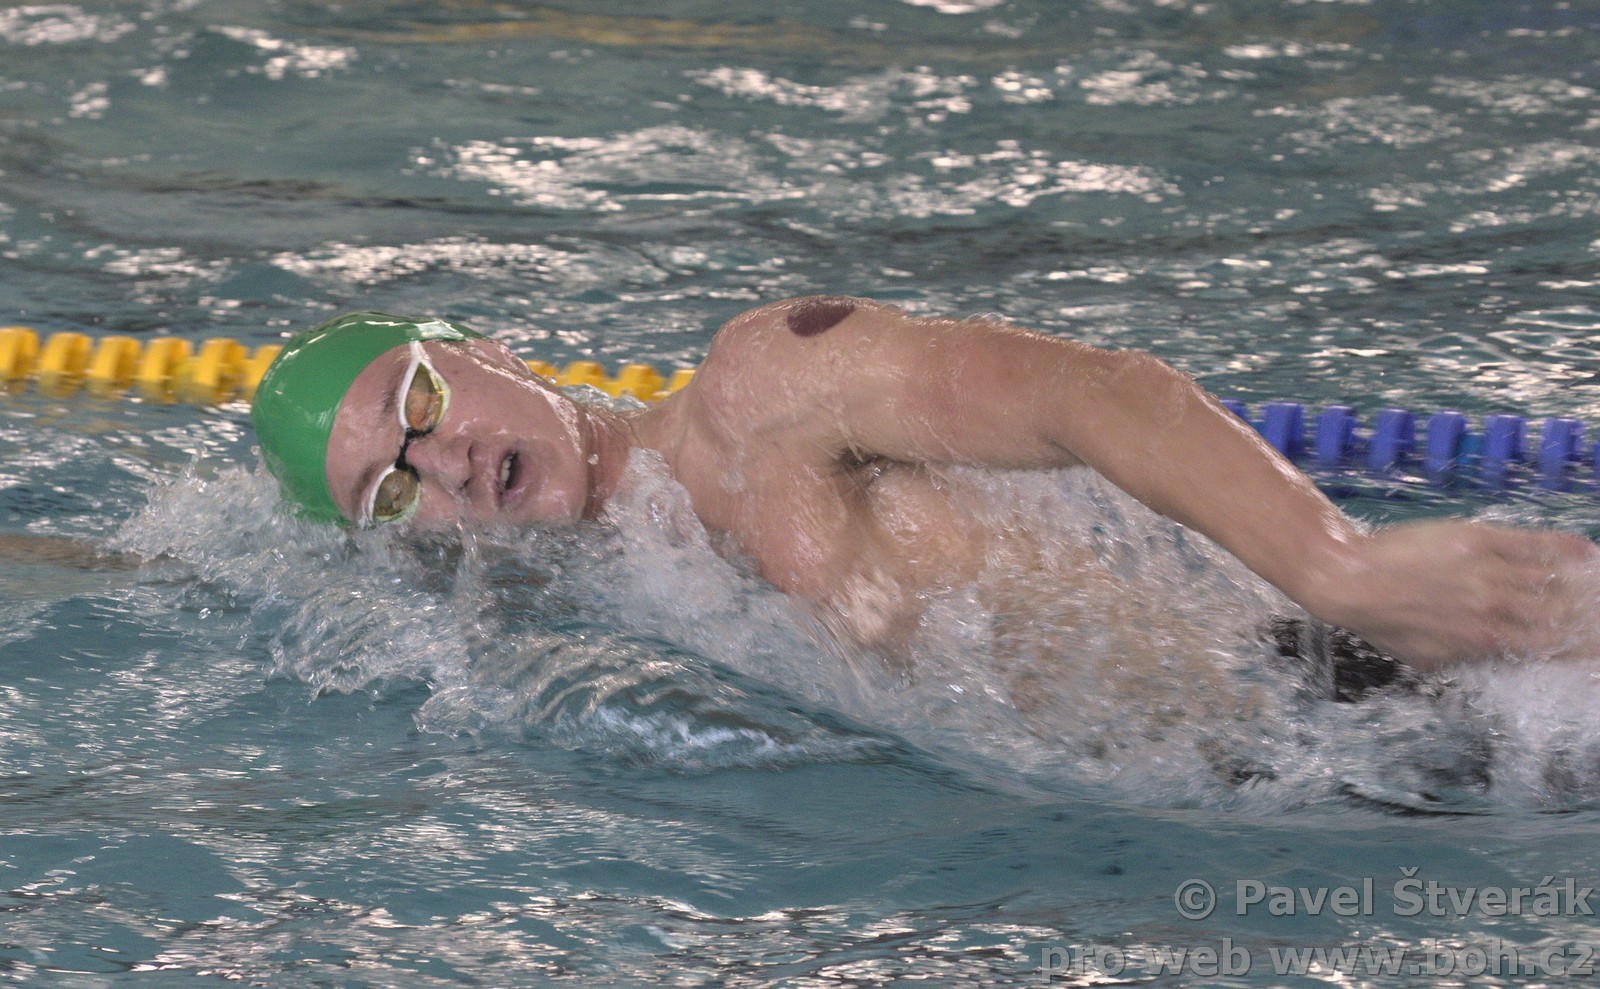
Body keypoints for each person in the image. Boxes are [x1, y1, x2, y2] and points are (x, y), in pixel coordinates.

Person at [250, 299, 1600, 673]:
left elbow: (1097, 393)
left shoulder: (757, 392)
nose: (441, 463)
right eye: (389, 491)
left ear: (485, 352)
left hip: (1369, 682)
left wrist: (1337, 566)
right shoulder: (594, 590)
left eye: (417, 405)